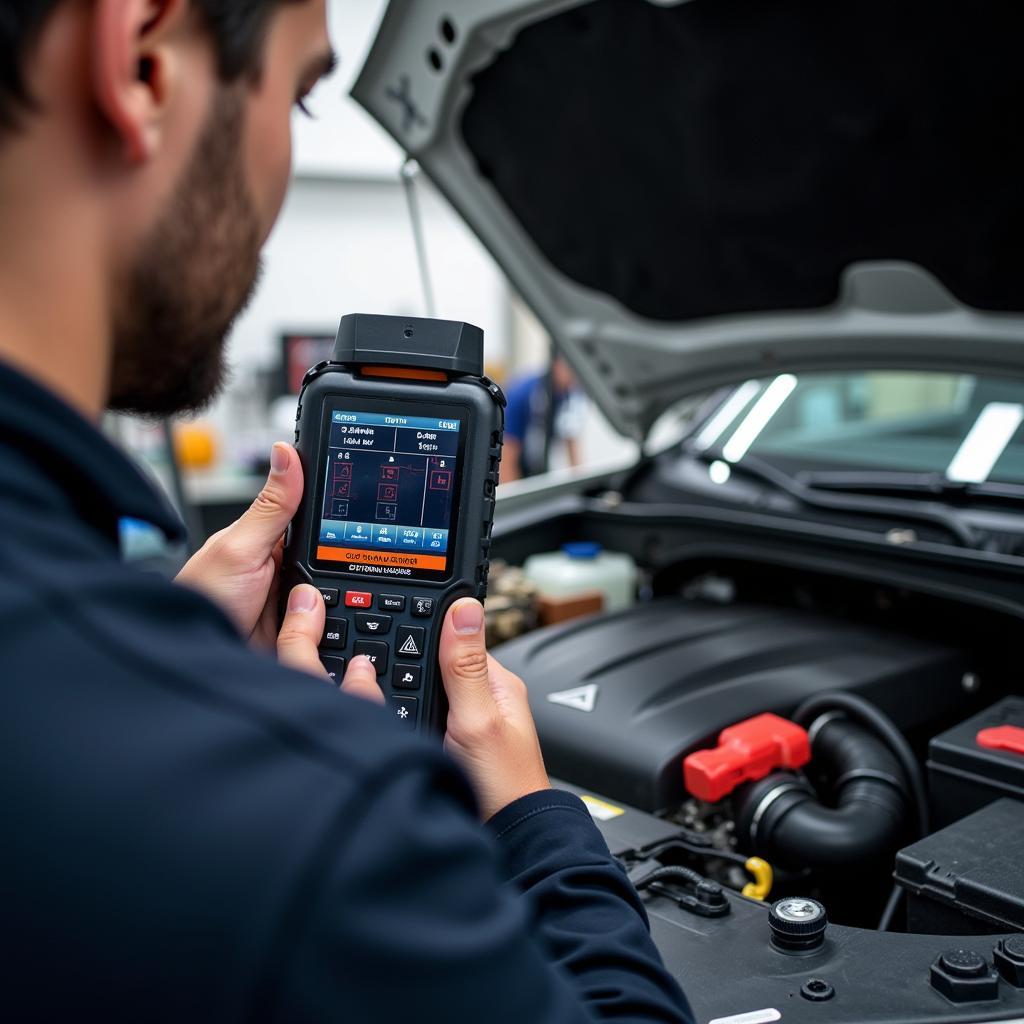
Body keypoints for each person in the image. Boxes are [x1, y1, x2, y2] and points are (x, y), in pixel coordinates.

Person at [0, 2, 693, 1021]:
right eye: (301, 93)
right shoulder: (319, 827)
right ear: (142, 57)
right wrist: (530, 815)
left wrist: (174, 654)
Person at [502, 355, 585, 480]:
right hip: (517, 465)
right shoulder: (523, 393)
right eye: (571, 368)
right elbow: (508, 454)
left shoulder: (568, 395)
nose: (575, 376)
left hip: (541, 467)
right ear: (557, 365)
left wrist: (580, 484)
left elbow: (571, 440)